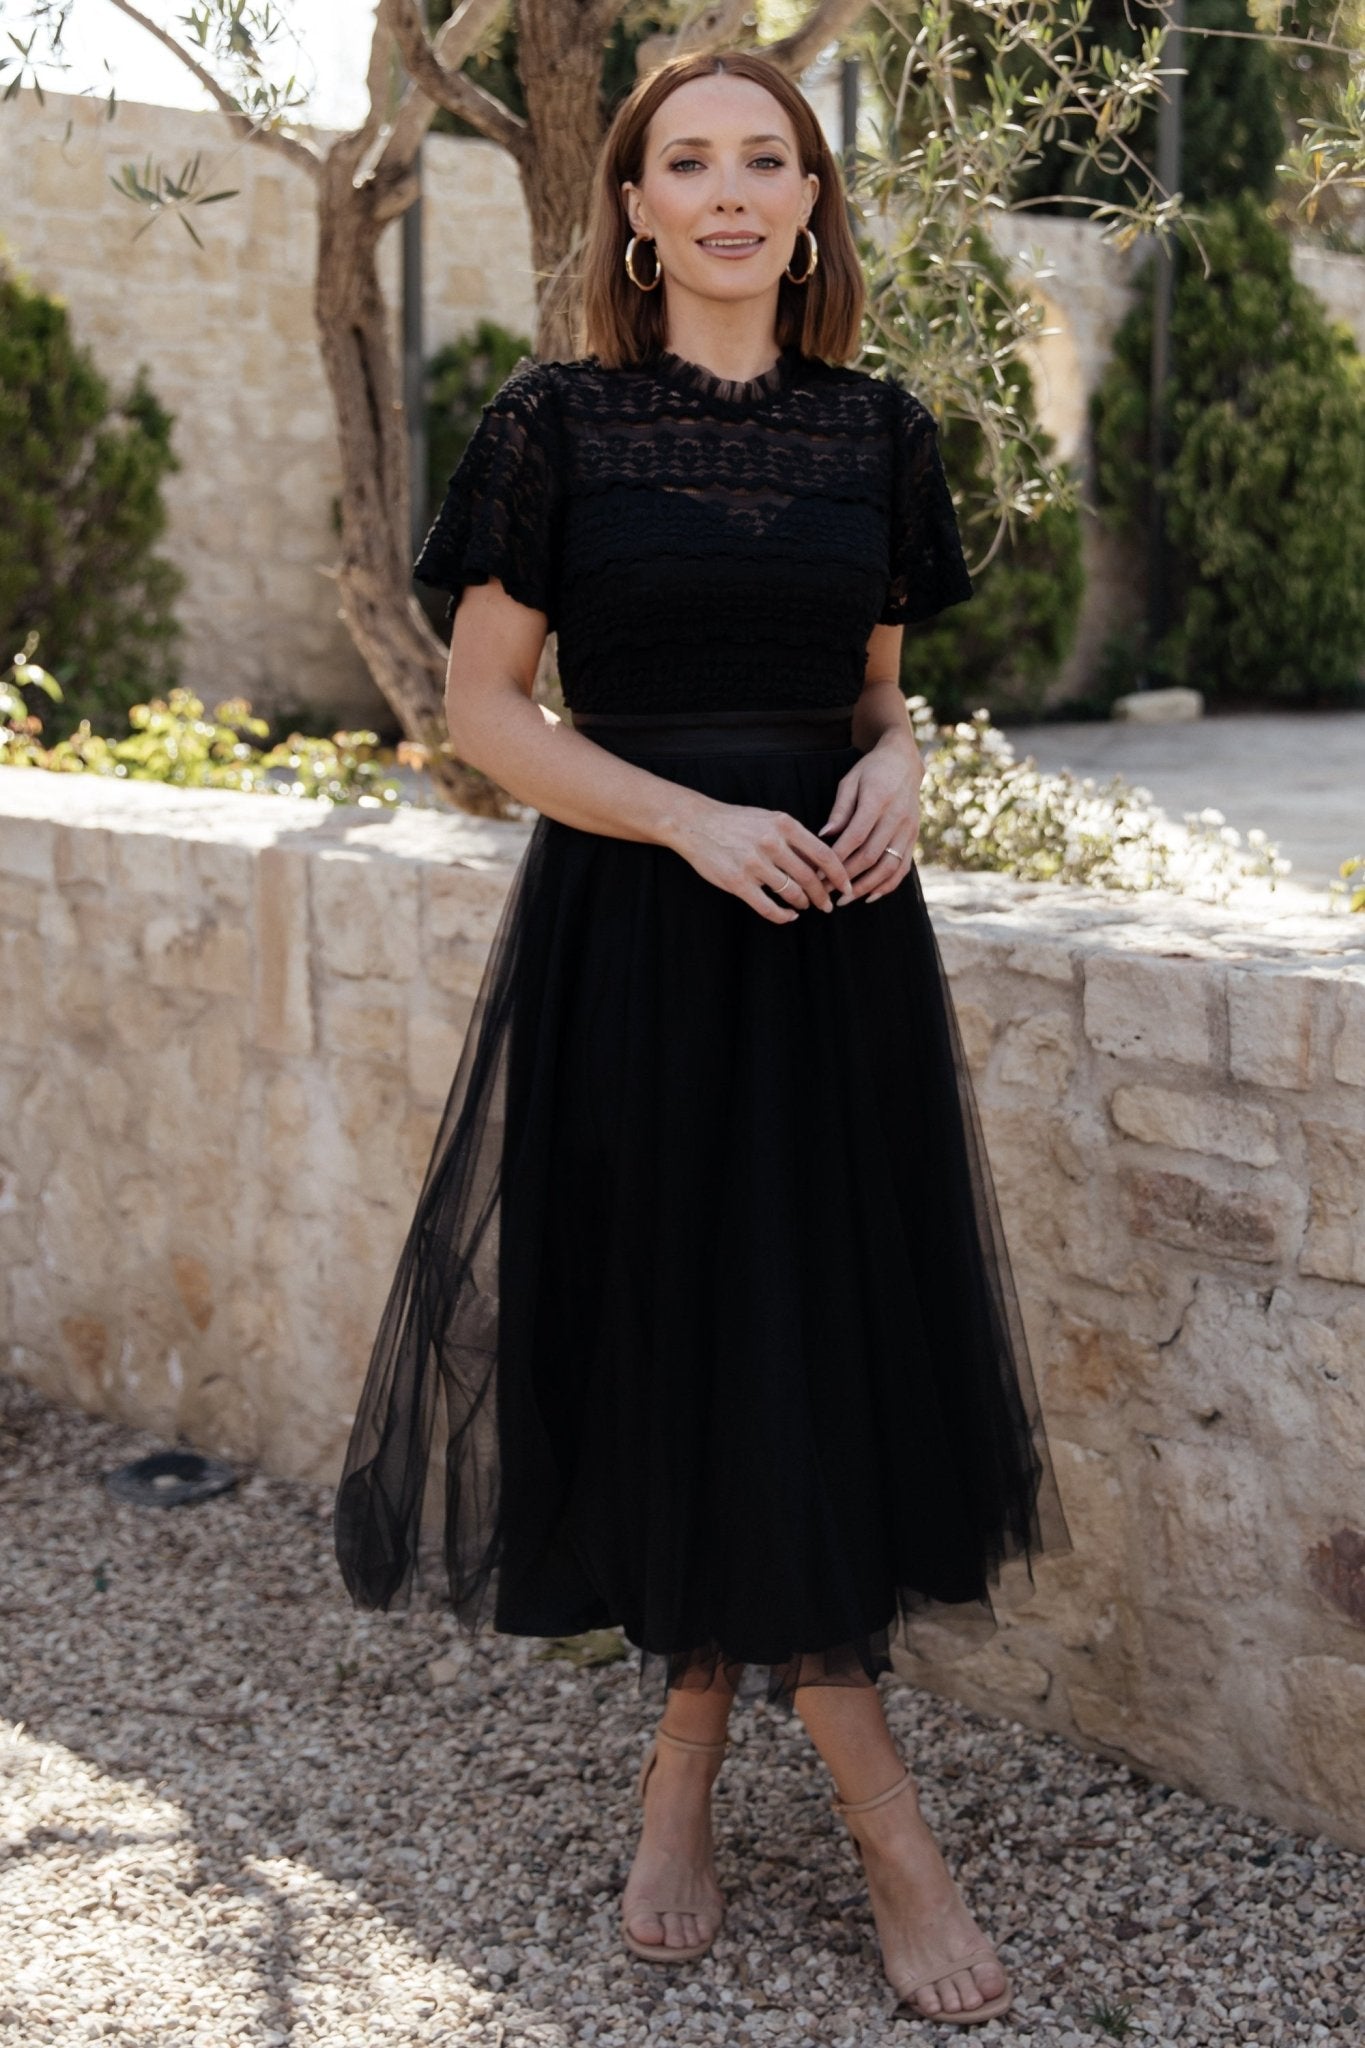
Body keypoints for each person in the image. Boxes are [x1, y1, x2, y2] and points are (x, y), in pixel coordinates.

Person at [334, 46, 1072, 2028]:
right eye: (689, 163)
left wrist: (900, 765)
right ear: (635, 212)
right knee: (687, 1341)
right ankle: (885, 1829)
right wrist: (685, 818)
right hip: (640, 939)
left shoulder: (875, 431)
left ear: (812, 201)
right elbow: (484, 713)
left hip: (833, 952)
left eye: (767, 159)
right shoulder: (556, 421)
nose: (731, 191)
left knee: (799, 1354)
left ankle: (681, 1757)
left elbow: (872, 694)